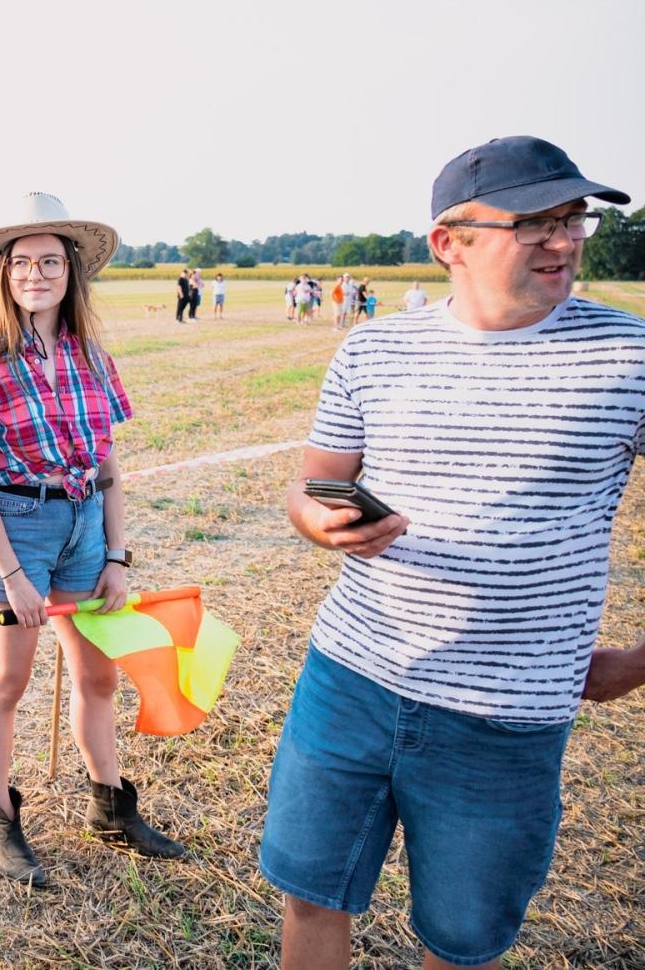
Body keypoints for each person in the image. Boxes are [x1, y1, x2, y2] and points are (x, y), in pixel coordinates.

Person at [260, 136, 643, 970]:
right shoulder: (373, 350)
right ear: (449, 243)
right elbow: (314, 484)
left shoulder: (628, 356)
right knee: (310, 892)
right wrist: (318, 521)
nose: (565, 239)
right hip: (350, 679)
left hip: (505, 718)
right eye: (534, 222)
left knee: (461, 938)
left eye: (572, 219)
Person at [0, 192, 185, 890]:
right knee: (8, 680)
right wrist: (12, 574)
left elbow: (108, 465)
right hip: (16, 526)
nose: (36, 274)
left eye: (50, 261)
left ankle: (110, 807)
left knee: (97, 675)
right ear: (5, 275)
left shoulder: (92, 357)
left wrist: (114, 553)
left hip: (84, 527)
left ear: (72, 272)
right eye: (23, 262)